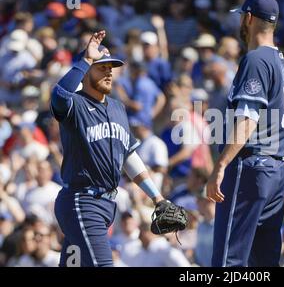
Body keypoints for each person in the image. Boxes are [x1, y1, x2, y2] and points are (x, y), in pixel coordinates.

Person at [51, 30, 184, 267]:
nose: (109, 71)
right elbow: (59, 95)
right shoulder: (76, 105)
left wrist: (157, 197)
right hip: (82, 201)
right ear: (87, 70)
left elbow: (128, 156)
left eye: (111, 67)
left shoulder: (117, 108)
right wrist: (85, 60)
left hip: (106, 205)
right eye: (102, 67)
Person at [206, 0, 284, 267]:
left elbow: (248, 116)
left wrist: (221, 164)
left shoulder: (256, 59)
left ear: (248, 18)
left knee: (228, 262)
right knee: (262, 264)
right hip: (276, 172)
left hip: (251, 167)